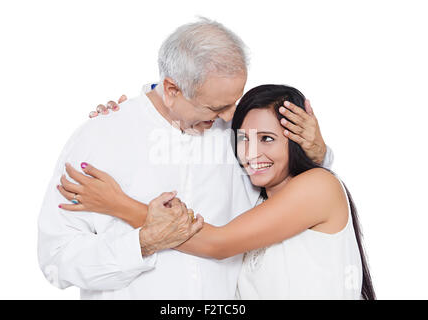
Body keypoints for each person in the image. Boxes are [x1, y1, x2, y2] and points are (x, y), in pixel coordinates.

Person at [38, 18, 330, 299]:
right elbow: (56, 259)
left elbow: (291, 198)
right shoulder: (101, 138)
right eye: (216, 107)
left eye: (235, 101)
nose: (230, 116)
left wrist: (317, 154)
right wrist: (141, 244)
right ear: (171, 90)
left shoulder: (240, 134)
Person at [59, 85, 375, 299]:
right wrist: (134, 117)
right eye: (243, 139)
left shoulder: (318, 186)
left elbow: (218, 243)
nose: (251, 154)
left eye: (267, 138)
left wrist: (118, 204)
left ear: (295, 138)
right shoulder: (257, 200)